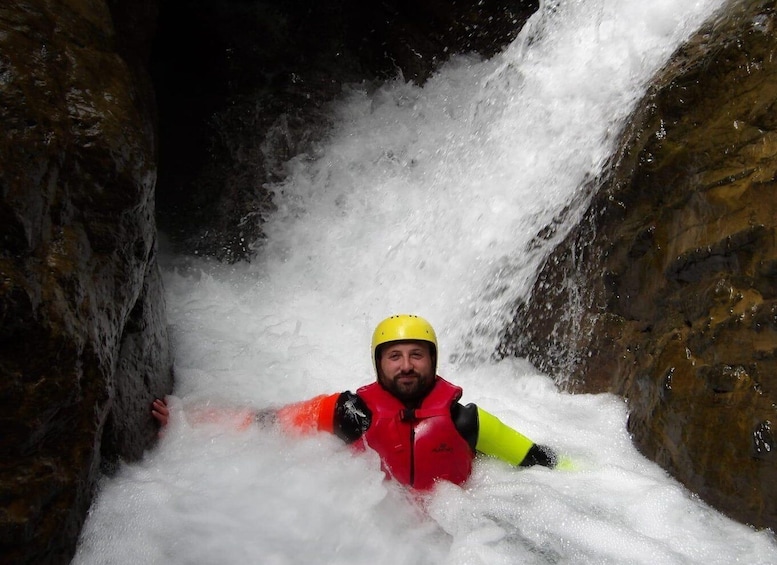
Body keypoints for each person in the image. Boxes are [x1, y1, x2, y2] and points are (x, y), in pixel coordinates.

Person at [152, 314, 558, 490]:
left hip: (458, 537)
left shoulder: (466, 421)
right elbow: (268, 423)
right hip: (379, 532)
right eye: (394, 356)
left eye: (417, 355)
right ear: (378, 363)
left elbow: (536, 460)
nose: (406, 367)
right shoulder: (351, 412)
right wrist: (190, 421)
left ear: (432, 361)